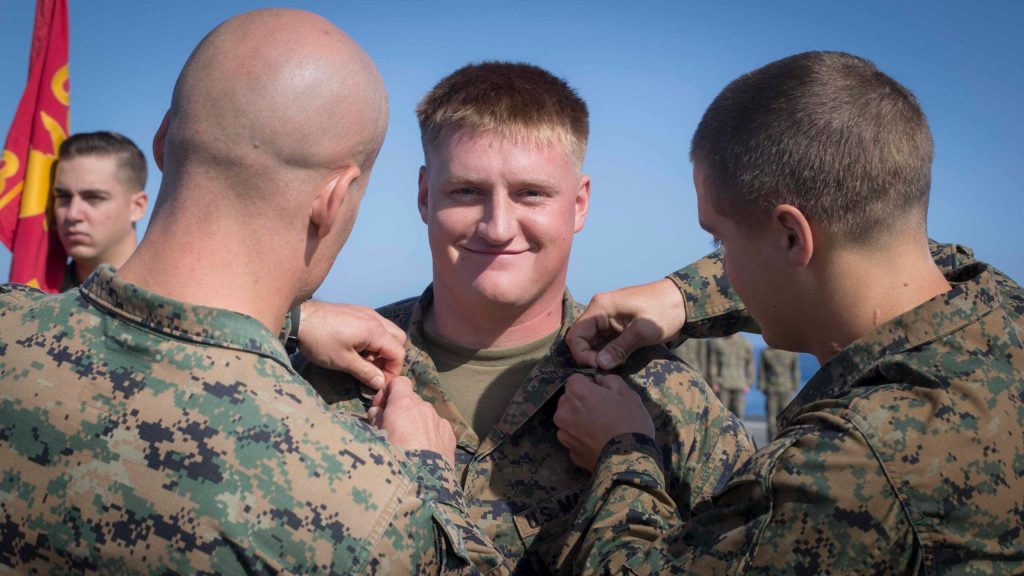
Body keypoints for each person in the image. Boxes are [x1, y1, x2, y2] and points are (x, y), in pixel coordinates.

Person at [0, 9, 506, 575]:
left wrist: (294, 320)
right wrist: (428, 479)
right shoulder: (365, 509)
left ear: (164, 142)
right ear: (333, 198)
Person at [554, 51, 1024, 573]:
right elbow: (910, 251)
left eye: (719, 239)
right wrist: (681, 297)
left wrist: (623, 453)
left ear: (790, 236)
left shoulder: (845, 468)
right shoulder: (1001, 308)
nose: (722, 262)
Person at [298, 62, 755, 574]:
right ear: (426, 195)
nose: (496, 227)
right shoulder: (327, 377)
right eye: (466, 191)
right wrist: (284, 319)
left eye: (531, 194)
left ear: (579, 204)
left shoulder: (660, 398)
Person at [53, 131, 148, 290]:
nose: (72, 214)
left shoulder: (179, 294)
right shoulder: (30, 296)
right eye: (63, 197)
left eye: (93, 198)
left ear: (137, 207)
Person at [704, 333, 753, 418]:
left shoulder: (745, 343)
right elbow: (713, 364)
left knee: (739, 412)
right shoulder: (719, 343)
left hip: (739, 384)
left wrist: (749, 382)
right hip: (723, 383)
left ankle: (738, 431)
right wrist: (714, 381)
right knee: (722, 413)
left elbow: (750, 364)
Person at [758, 347, 801, 441]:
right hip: (771, 389)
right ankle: (771, 443)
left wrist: (795, 386)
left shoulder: (791, 352)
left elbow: (795, 370)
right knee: (771, 419)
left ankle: (785, 441)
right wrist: (762, 386)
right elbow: (762, 371)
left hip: (786, 389)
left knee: (787, 418)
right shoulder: (766, 352)